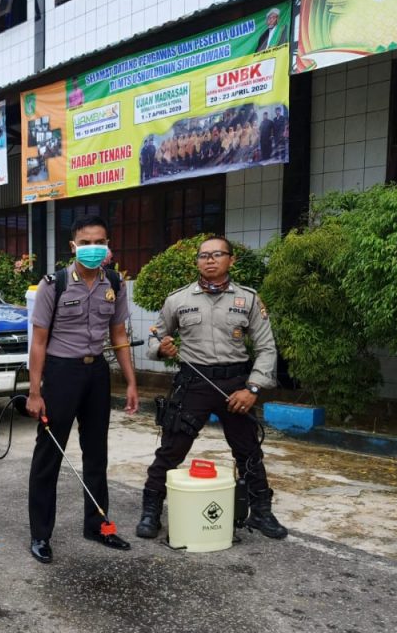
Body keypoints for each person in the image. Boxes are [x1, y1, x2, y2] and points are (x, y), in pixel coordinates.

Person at [136, 235, 287, 540]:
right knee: (171, 450)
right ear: (197, 262)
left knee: (248, 452)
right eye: (203, 256)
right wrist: (161, 348)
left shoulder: (249, 299)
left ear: (231, 260)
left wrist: (253, 389)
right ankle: (151, 510)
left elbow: (267, 348)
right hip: (193, 382)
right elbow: (155, 335)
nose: (209, 260)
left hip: (237, 386)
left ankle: (261, 512)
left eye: (217, 254)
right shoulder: (178, 299)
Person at [25, 216, 139, 563]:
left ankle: (98, 525)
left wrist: (132, 381)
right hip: (61, 374)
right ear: (73, 246)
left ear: (108, 245)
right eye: (86, 242)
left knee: (97, 454)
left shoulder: (115, 282)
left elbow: (119, 336)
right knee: (50, 454)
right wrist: (34, 391)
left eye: (99, 241)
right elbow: (39, 342)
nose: (93, 248)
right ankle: (40, 535)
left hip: (97, 375)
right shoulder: (54, 284)